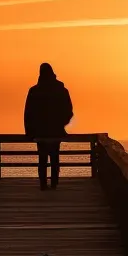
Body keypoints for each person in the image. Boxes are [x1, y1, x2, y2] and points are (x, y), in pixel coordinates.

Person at [23, 62, 74, 190]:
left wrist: (29, 131)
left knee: (42, 159)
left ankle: (43, 184)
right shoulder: (61, 90)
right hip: (56, 132)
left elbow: (28, 113)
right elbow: (69, 111)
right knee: (55, 157)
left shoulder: (34, 91)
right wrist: (62, 124)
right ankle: (54, 183)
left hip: (40, 133)